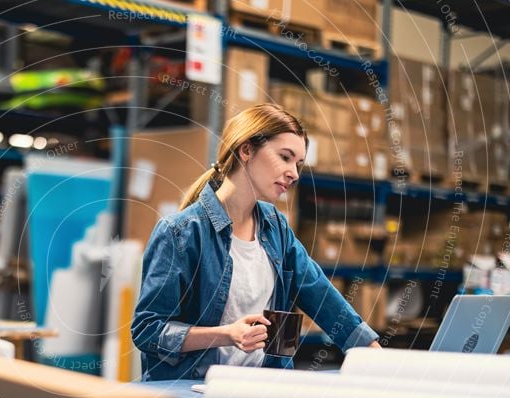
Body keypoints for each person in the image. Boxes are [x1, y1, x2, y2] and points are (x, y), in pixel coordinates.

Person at [131, 103, 381, 381]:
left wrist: (373, 353)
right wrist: (226, 335)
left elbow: (319, 293)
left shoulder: (276, 227)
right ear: (246, 150)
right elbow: (148, 330)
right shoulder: (181, 232)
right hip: (195, 392)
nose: (294, 173)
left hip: (261, 390)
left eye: (298, 164)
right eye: (285, 157)